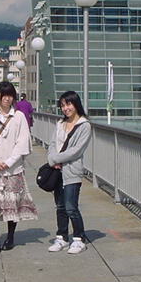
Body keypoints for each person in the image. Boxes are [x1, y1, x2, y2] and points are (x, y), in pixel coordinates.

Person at [0, 81, 38, 252]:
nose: (7, 98)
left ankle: (10, 237)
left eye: (10, 95)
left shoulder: (19, 117)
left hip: (13, 169)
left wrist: (9, 162)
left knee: (12, 203)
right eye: (4, 95)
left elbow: (23, 143)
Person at [46, 91, 92, 254]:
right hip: (57, 171)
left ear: (76, 104)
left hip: (72, 171)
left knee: (71, 206)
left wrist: (56, 159)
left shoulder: (84, 125)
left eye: (68, 104)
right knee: (60, 206)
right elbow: (52, 143)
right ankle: (62, 237)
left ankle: (79, 239)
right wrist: (52, 159)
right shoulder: (60, 123)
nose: (66, 108)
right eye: (63, 105)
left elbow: (76, 151)